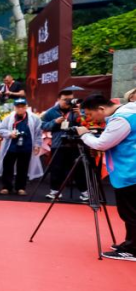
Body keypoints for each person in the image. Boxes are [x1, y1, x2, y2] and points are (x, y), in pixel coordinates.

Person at [76, 95, 136, 260]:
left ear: (101, 109)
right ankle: (130, 243)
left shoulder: (121, 119)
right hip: (129, 169)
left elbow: (102, 144)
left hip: (130, 171)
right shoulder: (129, 111)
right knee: (130, 210)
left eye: (90, 114)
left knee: (130, 212)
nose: (90, 119)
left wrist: (84, 135)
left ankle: (132, 249)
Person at [40, 91, 88, 201]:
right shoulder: (51, 112)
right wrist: (55, 122)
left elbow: (87, 123)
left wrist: (80, 115)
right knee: (57, 168)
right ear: (58, 100)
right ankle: (55, 192)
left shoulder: (77, 110)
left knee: (79, 169)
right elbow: (43, 126)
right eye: (65, 99)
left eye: (70, 99)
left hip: (75, 143)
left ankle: (85, 193)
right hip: (58, 143)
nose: (68, 102)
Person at [0, 99, 43, 195]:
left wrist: (37, 145)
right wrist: (9, 133)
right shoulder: (8, 118)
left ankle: (20, 187)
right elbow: (0, 129)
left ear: (26, 107)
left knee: (23, 168)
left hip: (26, 146)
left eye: (22, 106)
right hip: (11, 146)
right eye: (18, 107)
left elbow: (38, 133)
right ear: (14, 108)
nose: (20, 109)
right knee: (7, 167)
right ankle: (6, 187)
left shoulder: (34, 118)